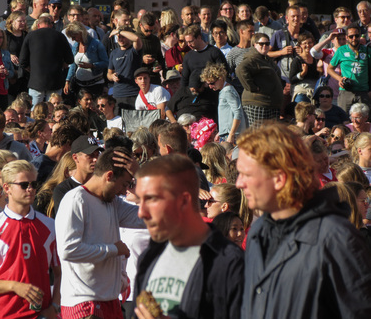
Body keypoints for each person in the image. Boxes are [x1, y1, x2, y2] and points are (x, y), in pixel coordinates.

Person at [236, 122, 371, 319]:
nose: (239, 183)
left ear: (279, 179)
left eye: (246, 174)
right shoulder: (259, 233)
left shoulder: (335, 238)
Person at [133, 154, 244, 318]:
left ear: (183, 201)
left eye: (151, 199)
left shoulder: (230, 263)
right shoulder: (149, 257)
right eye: (139, 200)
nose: (141, 212)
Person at [55, 147, 145, 318]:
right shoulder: (75, 200)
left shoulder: (112, 202)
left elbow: (150, 216)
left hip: (110, 301)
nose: (123, 191)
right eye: (125, 184)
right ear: (109, 176)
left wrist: (141, 174)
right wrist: (114, 249)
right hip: (82, 304)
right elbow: (67, 250)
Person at [0, 160, 61, 318]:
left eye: (34, 184)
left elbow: (61, 272)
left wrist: (55, 306)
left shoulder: (49, 226)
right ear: (7, 188)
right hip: (3, 314)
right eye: (24, 185)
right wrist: (14, 286)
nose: (31, 189)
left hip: (41, 314)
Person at [19, 16, 73, 107]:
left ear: (38, 25)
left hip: (36, 81)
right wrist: (62, 65)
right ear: (50, 25)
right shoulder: (59, 36)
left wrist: (31, 70)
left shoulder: (31, 36)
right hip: (55, 80)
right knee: (54, 109)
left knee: (35, 110)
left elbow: (22, 61)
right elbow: (70, 59)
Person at [236, 33, 283, 127]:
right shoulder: (253, 58)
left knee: (270, 137)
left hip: (270, 104)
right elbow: (240, 69)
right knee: (258, 136)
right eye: (262, 44)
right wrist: (252, 87)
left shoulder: (266, 59)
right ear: (254, 45)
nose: (265, 46)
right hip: (258, 104)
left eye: (267, 43)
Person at [52, 135, 103, 212]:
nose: (95, 159)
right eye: (90, 155)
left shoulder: (101, 185)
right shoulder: (63, 190)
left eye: (97, 155)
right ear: (75, 158)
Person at [328, 23, 371, 113]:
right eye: (351, 36)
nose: (354, 38)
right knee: (344, 121)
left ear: (360, 36)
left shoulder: (367, 50)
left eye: (356, 36)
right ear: (347, 37)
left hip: (363, 91)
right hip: (346, 91)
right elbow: (329, 68)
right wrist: (339, 79)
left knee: (363, 121)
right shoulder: (341, 50)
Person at [201, 62, 247, 143]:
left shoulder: (228, 90)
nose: (210, 87)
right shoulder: (224, 91)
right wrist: (221, 132)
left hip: (233, 135)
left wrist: (231, 134)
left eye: (212, 83)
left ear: (220, 78)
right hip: (227, 133)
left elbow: (238, 113)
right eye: (208, 84)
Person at [64, 21, 109, 99]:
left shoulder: (96, 44)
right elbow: (73, 65)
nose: (73, 39)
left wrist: (92, 65)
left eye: (74, 36)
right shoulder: (75, 45)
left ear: (80, 33)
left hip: (95, 85)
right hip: (79, 85)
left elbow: (106, 62)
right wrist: (67, 81)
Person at [107, 26, 143, 111]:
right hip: (118, 94)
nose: (120, 39)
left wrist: (118, 31)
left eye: (123, 37)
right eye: (118, 37)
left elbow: (136, 38)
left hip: (133, 93)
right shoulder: (114, 53)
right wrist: (112, 76)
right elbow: (109, 73)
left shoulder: (134, 50)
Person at [4, 10, 28, 105]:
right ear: (12, 21)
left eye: (24, 21)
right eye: (20, 21)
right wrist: (9, 55)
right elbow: (0, 49)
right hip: (11, 71)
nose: (23, 23)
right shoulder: (6, 35)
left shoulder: (26, 35)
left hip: (24, 71)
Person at [289, 32, 320, 102]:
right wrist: (302, 73)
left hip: (315, 92)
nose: (308, 45)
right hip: (301, 92)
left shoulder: (316, 59)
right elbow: (292, 79)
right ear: (300, 45)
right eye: (304, 43)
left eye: (310, 43)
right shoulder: (297, 60)